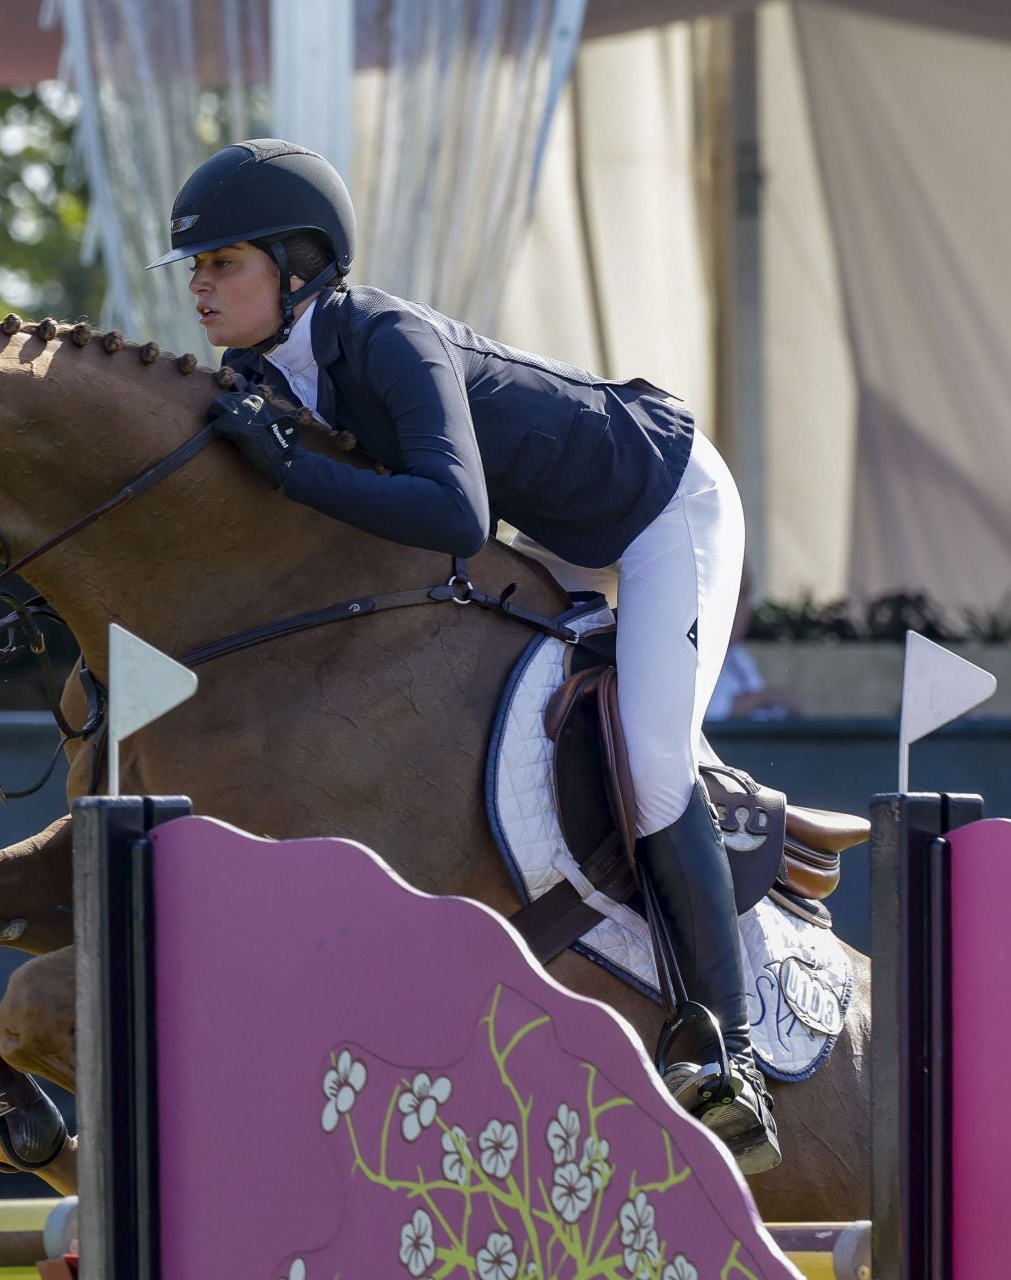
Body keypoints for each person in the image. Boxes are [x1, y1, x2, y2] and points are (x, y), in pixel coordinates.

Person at [153, 139, 775, 1170]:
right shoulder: (257, 373)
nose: (202, 289)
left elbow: (452, 510)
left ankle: (730, 1052)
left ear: (299, 265)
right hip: (559, 542)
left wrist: (292, 470)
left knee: (657, 759)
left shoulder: (386, 336)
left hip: (664, 506)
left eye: (225, 264)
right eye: (198, 270)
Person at [707, 566, 804, 720]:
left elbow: (763, 712)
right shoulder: (699, 656)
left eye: (746, 597)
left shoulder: (739, 656)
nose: (747, 608)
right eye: (739, 596)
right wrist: (766, 698)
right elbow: (713, 713)